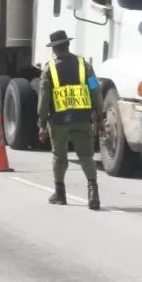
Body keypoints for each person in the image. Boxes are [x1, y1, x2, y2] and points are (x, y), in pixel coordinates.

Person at [37, 30, 105, 210]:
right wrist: (99, 115)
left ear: (54, 49)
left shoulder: (49, 69)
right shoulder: (85, 65)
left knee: (59, 158)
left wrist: (42, 124)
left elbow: (43, 99)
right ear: (67, 45)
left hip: (59, 122)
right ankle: (93, 193)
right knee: (86, 156)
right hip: (83, 119)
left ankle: (60, 194)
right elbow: (95, 90)